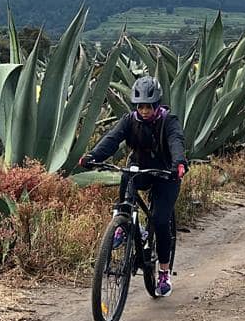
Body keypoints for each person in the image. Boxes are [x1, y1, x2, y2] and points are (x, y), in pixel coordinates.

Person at [79, 75, 188, 297]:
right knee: (126, 177)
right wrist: (93, 156)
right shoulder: (130, 120)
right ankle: (124, 224)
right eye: (140, 106)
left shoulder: (169, 121)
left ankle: (164, 273)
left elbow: (176, 141)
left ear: (156, 105)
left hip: (166, 174)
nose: (144, 111)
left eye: (148, 106)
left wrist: (179, 163)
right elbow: (112, 139)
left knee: (160, 221)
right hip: (140, 168)